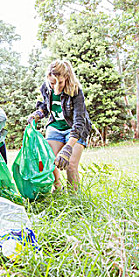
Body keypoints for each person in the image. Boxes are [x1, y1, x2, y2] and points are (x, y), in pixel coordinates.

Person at [27, 59, 92, 191]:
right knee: (49, 161)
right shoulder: (46, 88)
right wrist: (39, 113)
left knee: (71, 164)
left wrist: (69, 147)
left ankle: (75, 201)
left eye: (60, 83)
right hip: (55, 127)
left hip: (74, 129)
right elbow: (46, 105)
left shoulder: (76, 91)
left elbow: (79, 121)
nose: (56, 88)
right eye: (52, 83)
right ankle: (58, 190)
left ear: (66, 77)